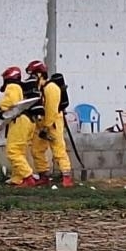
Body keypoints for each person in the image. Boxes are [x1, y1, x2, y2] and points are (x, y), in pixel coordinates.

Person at [26, 59, 74, 188]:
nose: (31, 78)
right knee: (36, 149)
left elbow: (52, 110)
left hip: (52, 124)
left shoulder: (51, 88)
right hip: (42, 124)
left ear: (40, 74)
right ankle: (44, 175)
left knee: (58, 149)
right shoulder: (40, 88)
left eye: (33, 75)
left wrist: (46, 127)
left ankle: (67, 176)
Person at [0, 66, 41, 187]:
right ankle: (18, 177)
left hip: (19, 120)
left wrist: (1, 110)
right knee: (20, 151)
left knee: (13, 151)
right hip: (27, 120)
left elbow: (11, 100)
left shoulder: (13, 86)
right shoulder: (20, 87)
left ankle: (28, 177)